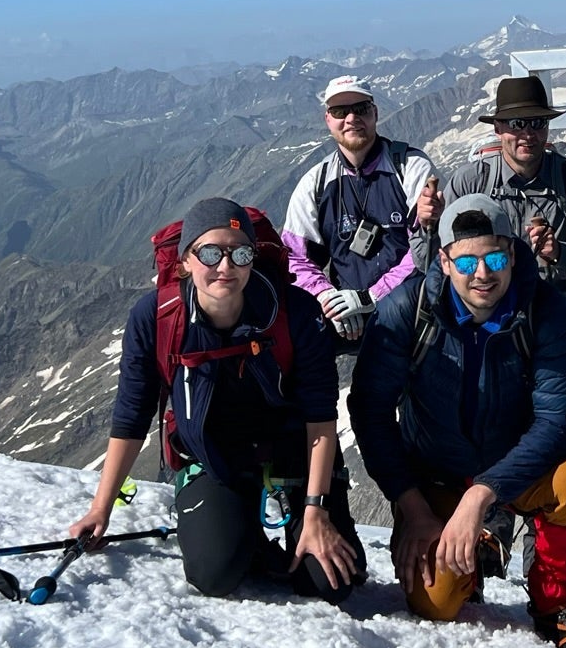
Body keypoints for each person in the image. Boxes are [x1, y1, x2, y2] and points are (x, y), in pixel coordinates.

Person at [348, 192, 566, 648]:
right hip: (436, 474)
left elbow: (559, 422)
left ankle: (556, 602)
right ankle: (470, 560)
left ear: (512, 253)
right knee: (436, 602)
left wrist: (483, 494)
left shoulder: (545, 311)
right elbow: (370, 411)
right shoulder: (409, 310)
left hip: (515, 469)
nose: (482, 274)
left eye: (494, 257)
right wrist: (412, 507)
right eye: (467, 261)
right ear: (444, 261)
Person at [72, 197, 362, 603]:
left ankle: (271, 524)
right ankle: (234, 526)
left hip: (294, 450)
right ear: (186, 260)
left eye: (239, 253)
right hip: (213, 457)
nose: (225, 267)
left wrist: (316, 511)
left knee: (331, 580)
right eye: (210, 253)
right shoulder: (155, 318)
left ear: (252, 258)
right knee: (215, 573)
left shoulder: (295, 313)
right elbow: (132, 415)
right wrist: (100, 509)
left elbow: (320, 419)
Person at [280, 75, 443, 347]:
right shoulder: (316, 182)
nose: (352, 118)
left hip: (413, 315)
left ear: (375, 113)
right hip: (345, 316)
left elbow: (425, 251)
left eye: (361, 109)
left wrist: (371, 297)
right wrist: (328, 299)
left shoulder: (410, 167)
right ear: (328, 120)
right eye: (340, 111)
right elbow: (295, 258)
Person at [441, 76, 566, 308]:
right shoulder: (470, 182)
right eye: (517, 124)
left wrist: (559, 252)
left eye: (538, 123)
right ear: (497, 129)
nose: (529, 134)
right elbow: (440, 255)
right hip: (486, 317)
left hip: (552, 317)